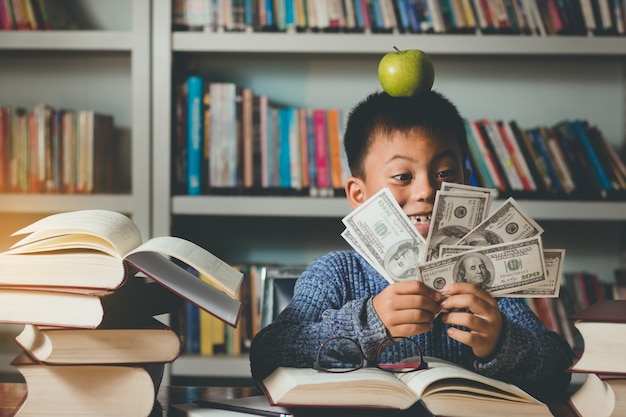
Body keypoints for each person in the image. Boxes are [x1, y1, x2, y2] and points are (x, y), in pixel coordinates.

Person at [249, 90, 573, 401]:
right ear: (359, 196)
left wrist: (500, 341)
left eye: (445, 173)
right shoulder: (336, 273)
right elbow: (268, 353)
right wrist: (370, 322)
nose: (426, 191)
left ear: (466, 183)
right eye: (403, 176)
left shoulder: (480, 275)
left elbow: (558, 367)